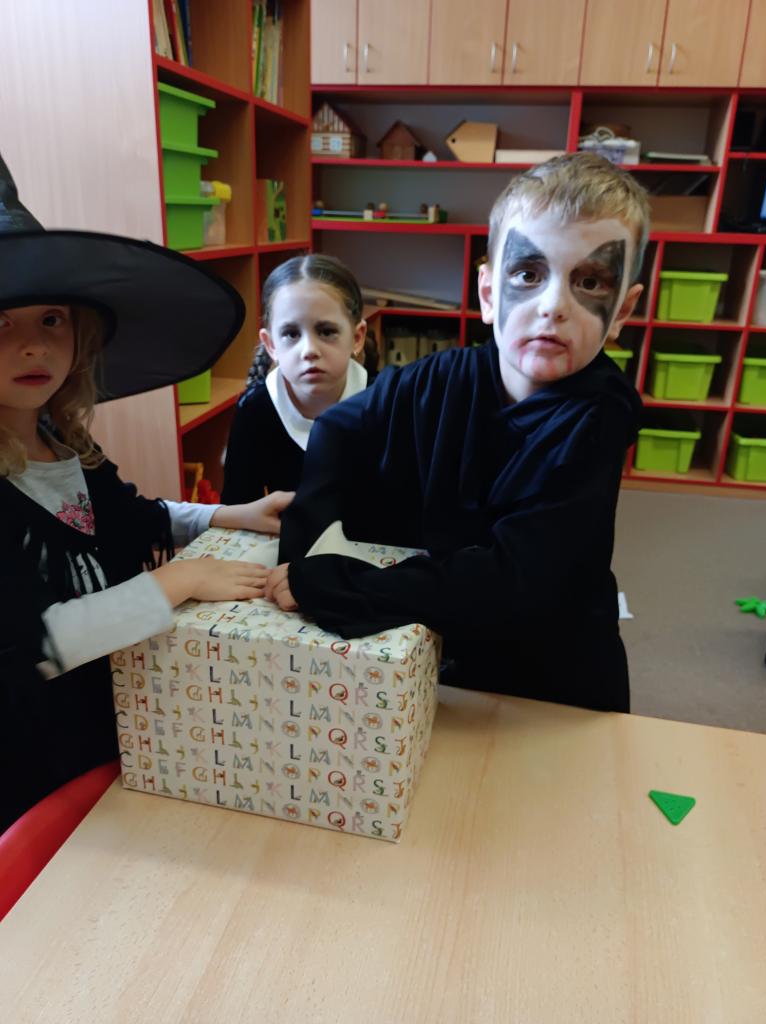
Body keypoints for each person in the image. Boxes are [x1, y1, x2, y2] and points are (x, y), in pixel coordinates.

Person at [265, 153, 649, 714]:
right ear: (488, 294)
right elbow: (340, 428)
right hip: (446, 662)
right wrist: (303, 548)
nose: (552, 307)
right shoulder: (440, 378)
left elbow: (514, 581)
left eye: (589, 281)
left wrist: (335, 583)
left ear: (622, 311)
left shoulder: (596, 418)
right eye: (529, 274)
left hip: (553, 684)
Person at [0, 152, 291, 833]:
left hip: (115, 729)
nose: (33, 346)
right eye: (1, 324)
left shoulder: (66, 446)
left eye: (51, 320)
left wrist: (230, 513)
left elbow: (136, 518)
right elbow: (40, 643)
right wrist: (178, 581)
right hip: (32, 769)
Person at [221, 254, 370, 504]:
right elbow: (237, 507)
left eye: (326, 332)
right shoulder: (255, 409)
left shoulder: (384, 403)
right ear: (271, 345)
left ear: (357, 338)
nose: (309, 350)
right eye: (291, 334)